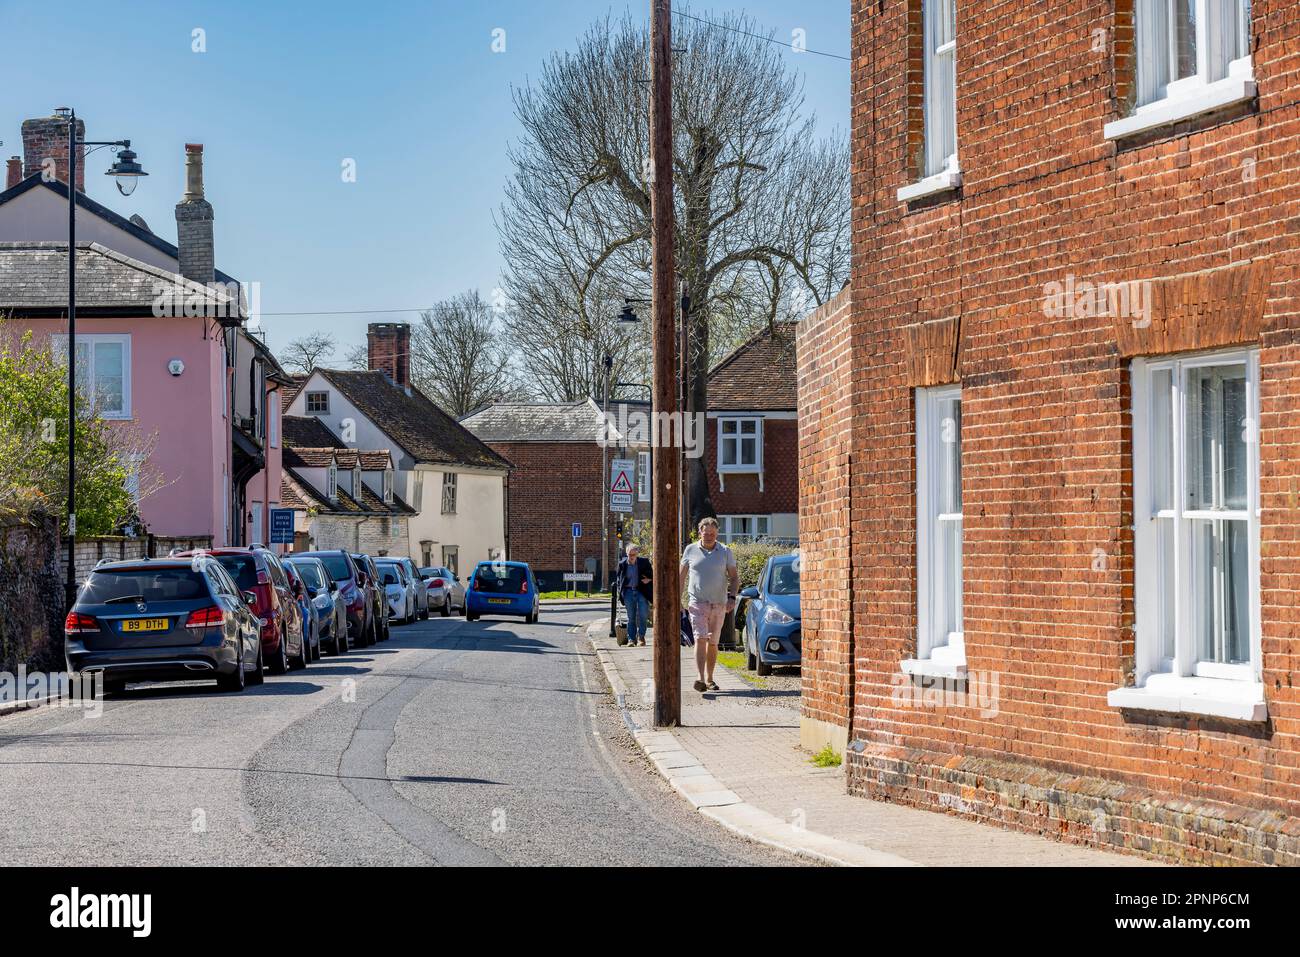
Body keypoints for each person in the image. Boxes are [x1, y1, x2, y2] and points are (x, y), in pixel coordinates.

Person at [679, 517, 739, 693]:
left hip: (719, 604)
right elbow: (681, 578)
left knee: (713, 642)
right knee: (700, 638)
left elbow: (734, 577)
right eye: (706, 534)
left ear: (717, 533)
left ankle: (710, 678)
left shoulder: (725, 551)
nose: (709, 537)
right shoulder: (690, 550)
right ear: (700, 532)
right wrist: (678, 600)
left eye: (712, 534)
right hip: (697, 602)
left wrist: (732, 597)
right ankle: (700, 678)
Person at [615, 543, 653, 646]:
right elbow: (619, 579)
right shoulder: (622, 564)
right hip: (628, 592)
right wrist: (620, 591)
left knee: (643, 615)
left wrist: (649, 579)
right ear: (626, 554)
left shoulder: (644, 562)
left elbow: (652, 574)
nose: (631, 557)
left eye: (633, 555)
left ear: (637, 554)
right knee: (631, 617)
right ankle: (631, 639)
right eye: (629, 555)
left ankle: (641, 637)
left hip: (642, 591)